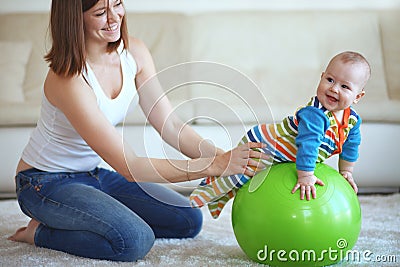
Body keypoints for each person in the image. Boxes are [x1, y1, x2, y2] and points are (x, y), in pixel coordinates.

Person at [7, 0, 268, 262]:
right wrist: (212, 166)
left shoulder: (135, 53)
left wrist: (226, 158)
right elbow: (129, 167)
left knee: (187, 220)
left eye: (117, 4)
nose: (113, 18)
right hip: (44, 183)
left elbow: (171, 125)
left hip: (93, 175)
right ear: (75, 20)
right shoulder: (69, 79)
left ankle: (94, 216)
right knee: (133, 240)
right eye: (100, 13)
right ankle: (39, 232)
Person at [190, 51, 371, 219]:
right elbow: (309, 145)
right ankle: (204, 195)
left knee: (244, 179)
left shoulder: (353, 120)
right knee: (239, 174)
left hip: (286, 154)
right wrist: (305, 175)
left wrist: (346, 171)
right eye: (330, 80)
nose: (334, 89)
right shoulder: (315, 114)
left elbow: (351, 146)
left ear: (358, 97)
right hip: (267, 144)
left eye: (345, 86)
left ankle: (219, 198)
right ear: (322, 77)